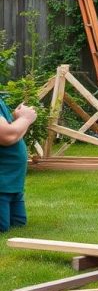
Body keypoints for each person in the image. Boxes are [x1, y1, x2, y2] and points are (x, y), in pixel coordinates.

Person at [0, 95, 37, 232]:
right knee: (2, 227)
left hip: (12, 184)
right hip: (2, 183)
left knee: (18, 225)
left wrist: (19, 121)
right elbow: (7, 136)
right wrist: (25, 119)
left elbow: (14, 134)